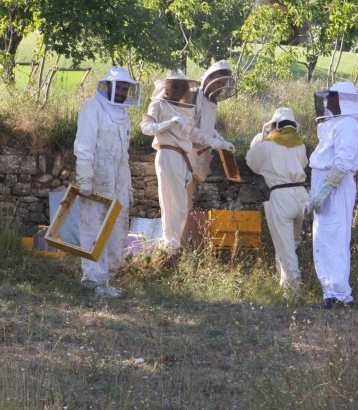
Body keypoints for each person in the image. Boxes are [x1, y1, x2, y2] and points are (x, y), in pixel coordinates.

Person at [140, 70, 230, 253]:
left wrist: (215, 141)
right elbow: (145, 127)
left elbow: (192, 133)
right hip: (167, 154)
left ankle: (173, 246)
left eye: (184, 86)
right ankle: (169, 247)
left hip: (183, 157)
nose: (181, 89)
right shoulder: (158, 105)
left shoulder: (185, 109)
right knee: (171, 203)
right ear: (168, 87)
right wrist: (167, 124)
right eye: (177, 86)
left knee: (182, 207)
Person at [74, 67, 140, 298]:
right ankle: (92, 279)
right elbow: (84, 145)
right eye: (118, 87)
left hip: (119, 178)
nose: (122, 91)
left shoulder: (123, 116)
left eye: (125, 88)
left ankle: (106, 278)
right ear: (108, 86)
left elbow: (124, 155)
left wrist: (128, 185)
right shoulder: (92, 108)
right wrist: (84, 177)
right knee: (93, 226)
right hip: (97, 176)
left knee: (117, 228)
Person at [309, 81, 358, 309]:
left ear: (343, 100)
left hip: (336, 187)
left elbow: (343, 162)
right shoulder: (336, 125)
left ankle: (341, 294)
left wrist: (324, 190)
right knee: (323, 238)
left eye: (332, 98)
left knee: (335, 237)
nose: (327, 103)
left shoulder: (347, 125)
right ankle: (330, 293)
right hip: (327, 186)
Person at [245, 108, 309, 292]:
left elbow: (251, 162)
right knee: (292, 244)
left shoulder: (266, 146)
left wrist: (257, 143)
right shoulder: (300, 145)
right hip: (302, 195)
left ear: (274, 125)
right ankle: (283, 282)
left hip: (281, 196)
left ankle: (292, 292)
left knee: (285, 247)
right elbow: (303, 164)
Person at [184, 60, 237, 246]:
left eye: (224, 84)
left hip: (197, 160)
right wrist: (210, 141)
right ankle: (176, 247)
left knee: (188, 203)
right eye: (220, 82)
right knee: (181, 205)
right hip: (183, 157)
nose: (221, 87)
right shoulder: (192, 96)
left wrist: (221, 141)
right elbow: (186, 129)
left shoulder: (211, 103)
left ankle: (182, 247)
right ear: (209, 78)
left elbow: (209, 129)